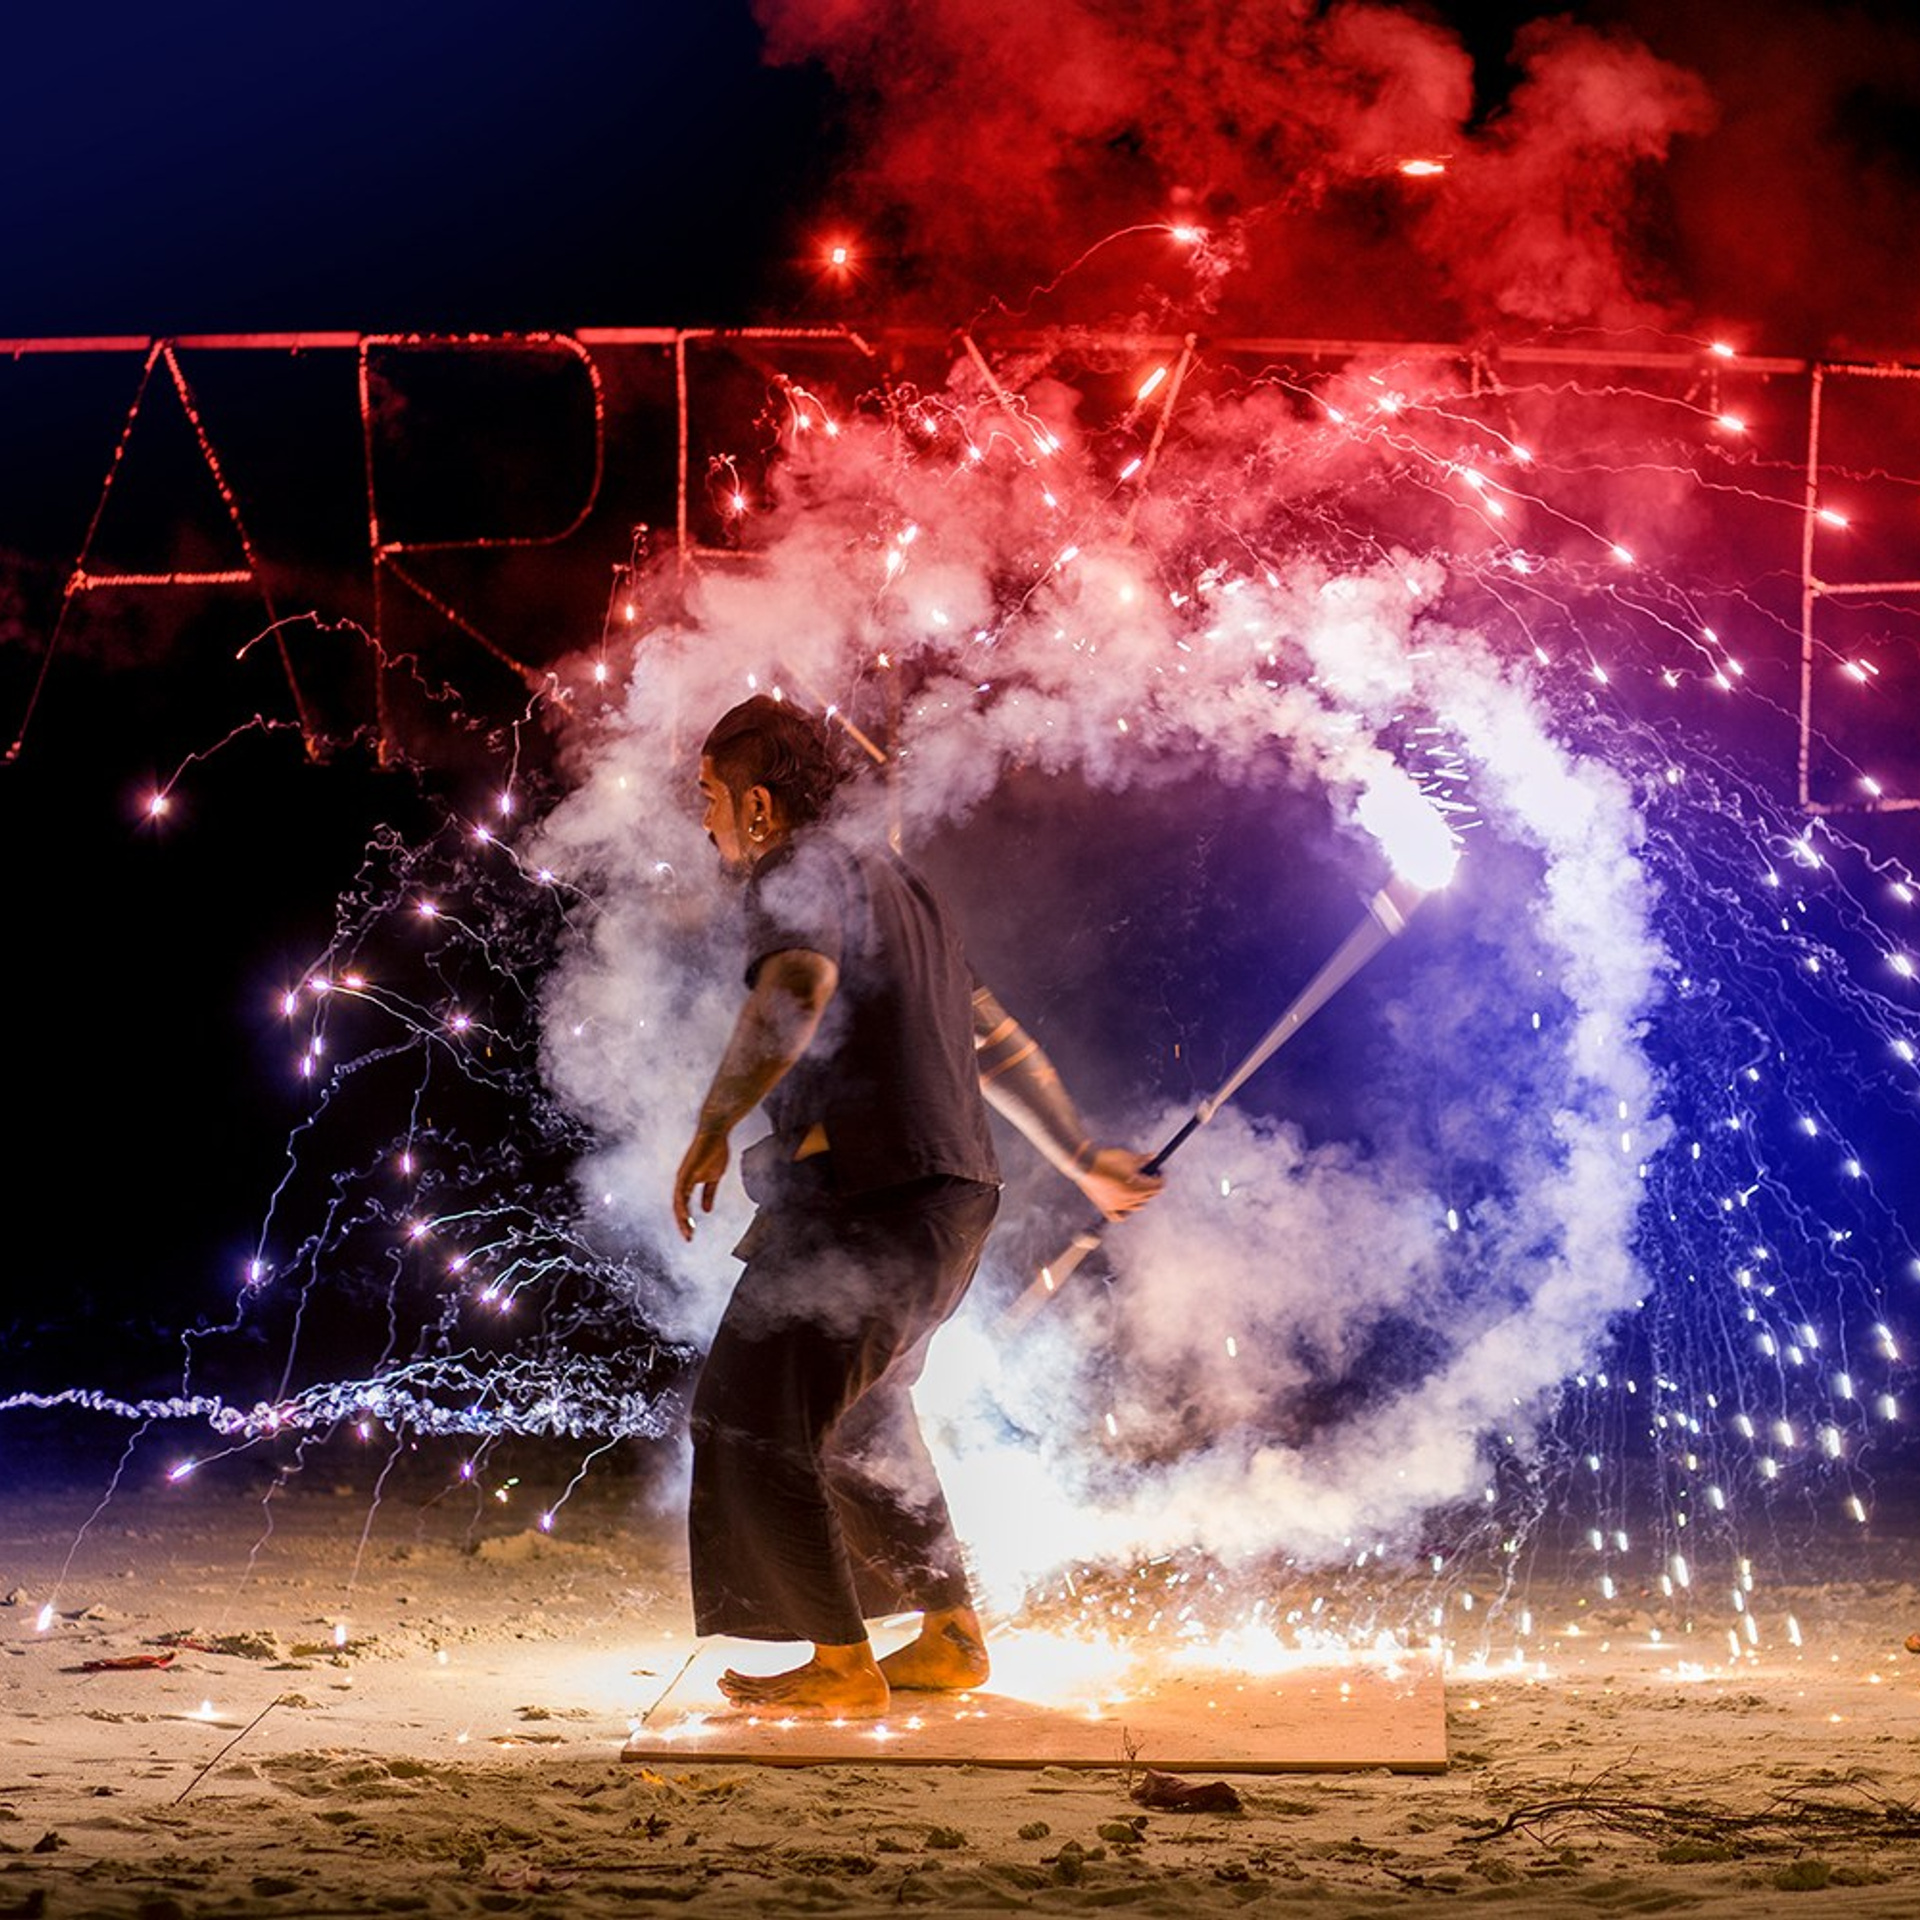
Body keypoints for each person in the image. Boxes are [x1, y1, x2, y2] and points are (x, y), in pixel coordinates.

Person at [671, 695, 1162, 1719]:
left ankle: (842, 1663)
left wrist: (717, 1124)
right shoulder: (900, 884)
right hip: (951, 1199)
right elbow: (995, 1041)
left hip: (872, 1197)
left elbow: (797, 986)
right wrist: (1080, 1157)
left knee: (751, 1411)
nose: (704, 819)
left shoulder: (794, 874)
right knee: (860, 1420)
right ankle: (948, 1636)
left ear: (760, 808)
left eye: (710, 797)